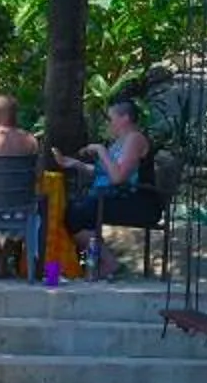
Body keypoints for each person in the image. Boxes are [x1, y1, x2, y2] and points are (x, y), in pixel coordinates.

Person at [63, 97, 155, 278]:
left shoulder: (135, 139)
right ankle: (97, 264)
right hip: (117, 196)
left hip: (138, 201)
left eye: (111, 117)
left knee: (80, 212)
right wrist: (75, 164)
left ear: (125, 118)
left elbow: (118, 177)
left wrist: (100, 150)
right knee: (75, 210)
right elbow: (106, 172)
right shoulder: (119, 143)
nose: (108, 122)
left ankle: (107, 263)